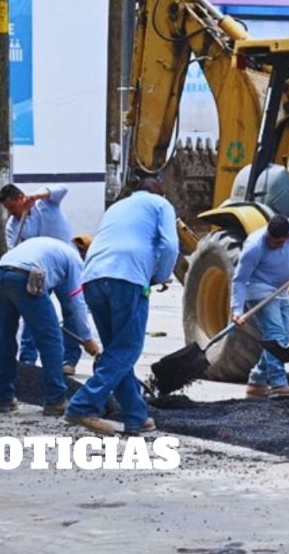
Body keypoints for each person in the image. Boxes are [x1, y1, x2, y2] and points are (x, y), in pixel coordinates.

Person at [66, 176, 178, 436]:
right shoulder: (161, 205)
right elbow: (170, 246)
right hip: (126, 278)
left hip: (92, 277)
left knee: (117, 351)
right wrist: (160, 276)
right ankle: (83, 404)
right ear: (159, 193)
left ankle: (135, 416)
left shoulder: (117, 207)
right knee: (128, 348)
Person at [0, 234, 101, 415]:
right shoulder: (74, 260)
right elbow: (76, 302)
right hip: (26, 275)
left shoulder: (53, 246)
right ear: (85, 254)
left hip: (0, 274)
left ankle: (4, 398)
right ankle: (55, 399)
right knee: (51, 340)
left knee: (6, 338)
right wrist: (87, 338)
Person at [232, 214, 289, 399]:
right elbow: (239, 280)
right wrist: (237, 310)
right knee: (275, 334)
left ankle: (257, 381)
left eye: (279, 242)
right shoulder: (254, 246)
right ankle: (278, 384)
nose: (275, 245)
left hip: (282, 290)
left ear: (288, 236)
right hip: (259, 290)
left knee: (284, 337)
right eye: (273, 242)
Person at [0, 183, 75, 369]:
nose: (11, 213)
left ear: (21, 198)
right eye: (7, 210)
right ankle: (27, 359)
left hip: (64, 266)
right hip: (37, 272)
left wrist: (36, 196)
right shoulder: (13, 225)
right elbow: (15, 250)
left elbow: (62, 189)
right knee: (31, 313)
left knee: (72, 310)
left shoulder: (47, 204)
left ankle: (70, 359)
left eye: (12, 207)